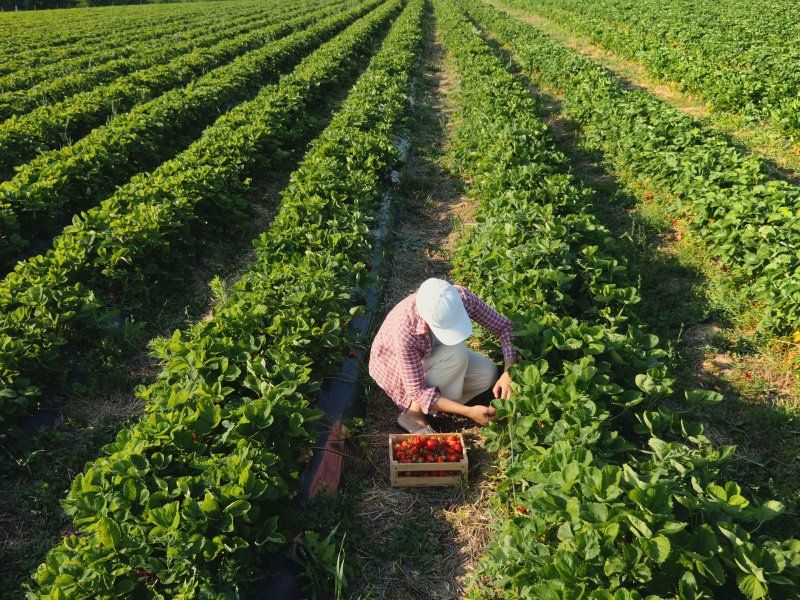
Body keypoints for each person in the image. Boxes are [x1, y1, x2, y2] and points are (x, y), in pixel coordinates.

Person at [369, 278, 517, 434]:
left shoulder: (461, 298)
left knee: (487, 374)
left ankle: (439, 405)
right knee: (457, 353)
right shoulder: (406, 329)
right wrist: (468, 412)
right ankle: (413, 414)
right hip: (394, 366)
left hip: (436, 352)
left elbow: (504, 327)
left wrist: (508, 372)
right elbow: (416, 391)